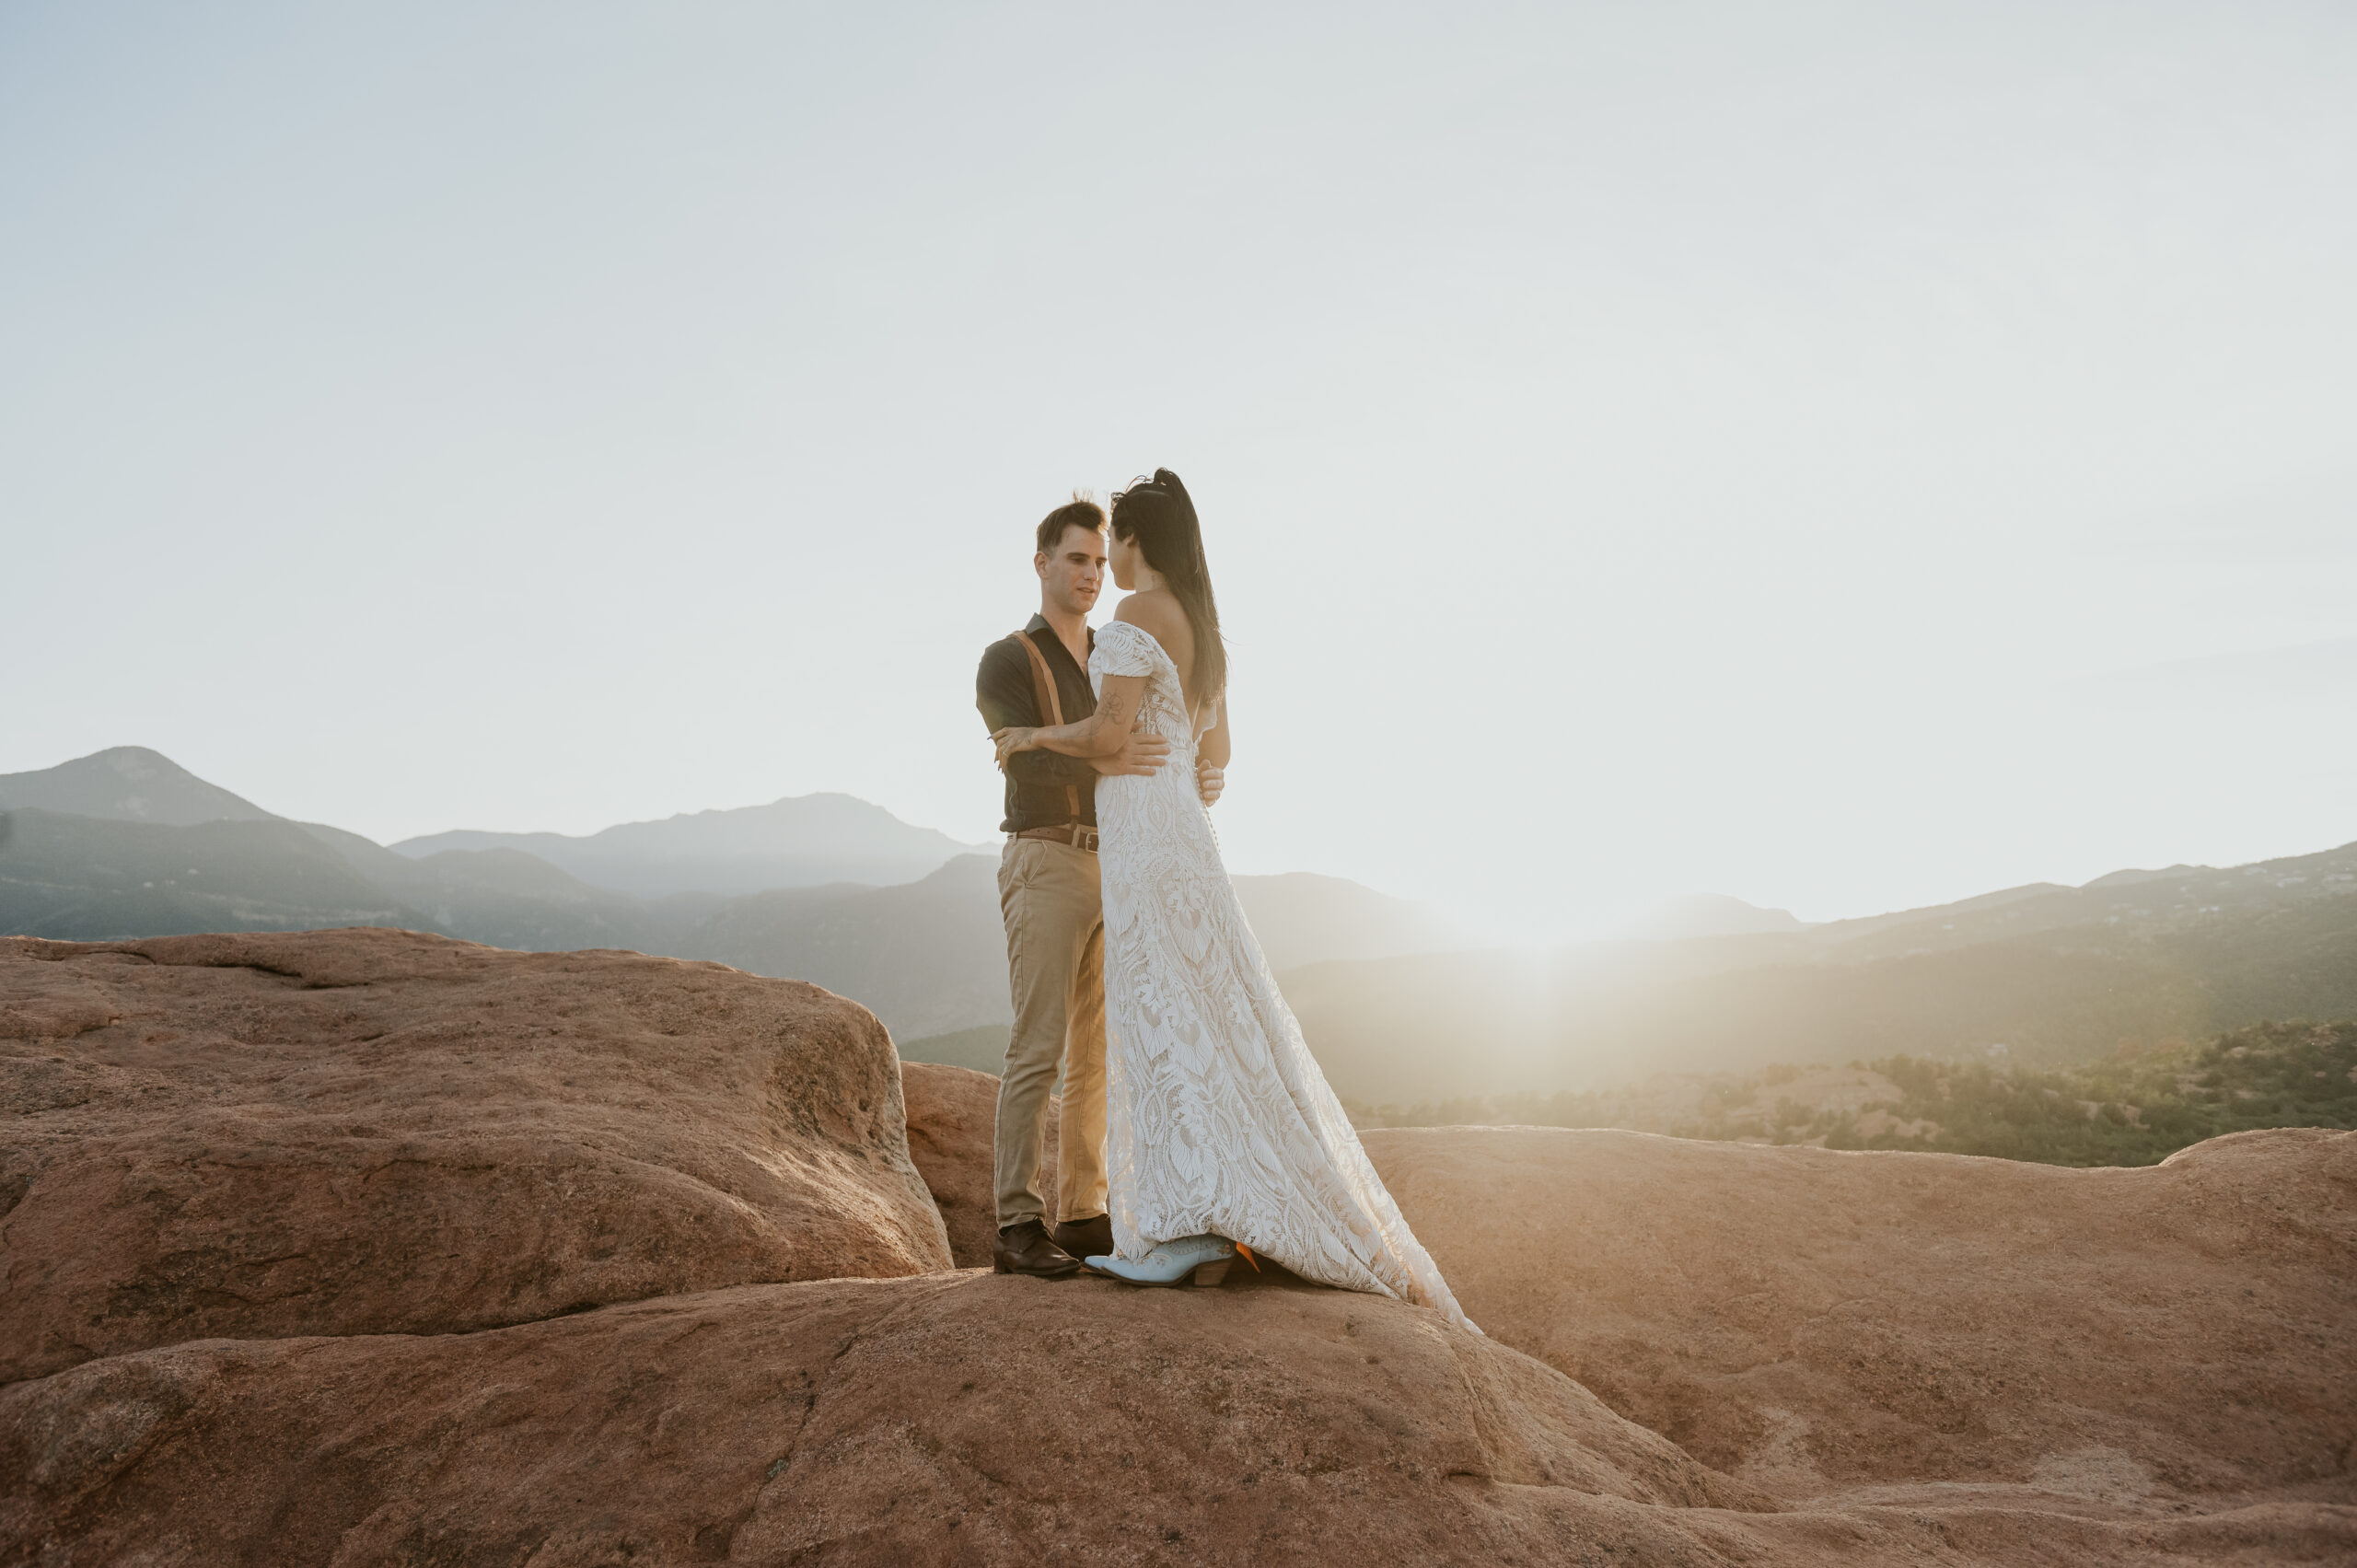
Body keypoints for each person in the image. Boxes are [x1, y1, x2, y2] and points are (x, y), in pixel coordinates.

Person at [991, 471, 1475, 1330]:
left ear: (1138, 543)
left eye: (1115, 548)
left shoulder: (1137, 619)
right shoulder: (1208, 634)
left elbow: (1108, 737)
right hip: (1179, 836)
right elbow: (1215, 762)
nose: (1108, 567)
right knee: (1203, 1015)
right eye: (1085, 555)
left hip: (1139, 843)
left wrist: (1033, 736)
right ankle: (1197, 1218)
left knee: (1156, 1022)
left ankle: (1189, 1221)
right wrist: (1176, 767)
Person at [972, 496, 1226, 1279]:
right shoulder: (1009, 658)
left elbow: (1154, 738)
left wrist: (1192, 768)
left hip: (1119, 863)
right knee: (1040, 1042)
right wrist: (1105, 756)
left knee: (1096, 1051)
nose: (1088, 572)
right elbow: (1020, 754)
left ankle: (1083, 1211)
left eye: (1096, 558)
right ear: (1042, 563)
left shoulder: (1121, 645)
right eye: (1074, 559)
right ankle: (1017, 1221)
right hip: (1046, 858)